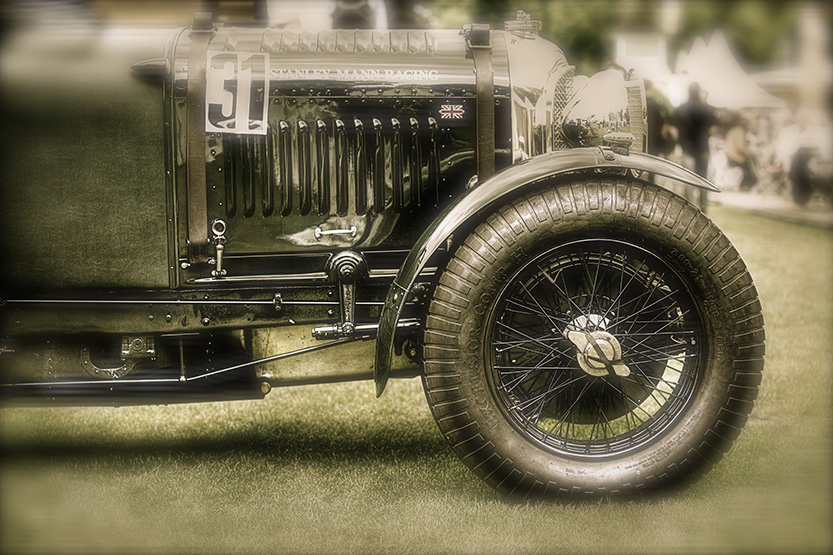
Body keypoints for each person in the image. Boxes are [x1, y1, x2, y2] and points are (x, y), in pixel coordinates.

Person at [670, 82, 719, 211]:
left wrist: (679, 142)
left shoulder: (680, 109)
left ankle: (692, 208)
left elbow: (673, 129)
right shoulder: (708, 109)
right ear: (698, 92)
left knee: (689, 180)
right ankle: (704, 207)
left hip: (687, 148)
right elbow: (714, 128)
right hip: (703, 147)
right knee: (703, 180)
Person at [724, 115, 756, 191]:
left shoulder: (734, 130)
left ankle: (745, 186)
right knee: (752, 169)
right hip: (736, 158)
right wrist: (750, 152)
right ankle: (745, 186)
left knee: (750, 167)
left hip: (730, 157)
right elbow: (741, 147)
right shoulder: (740, 132)